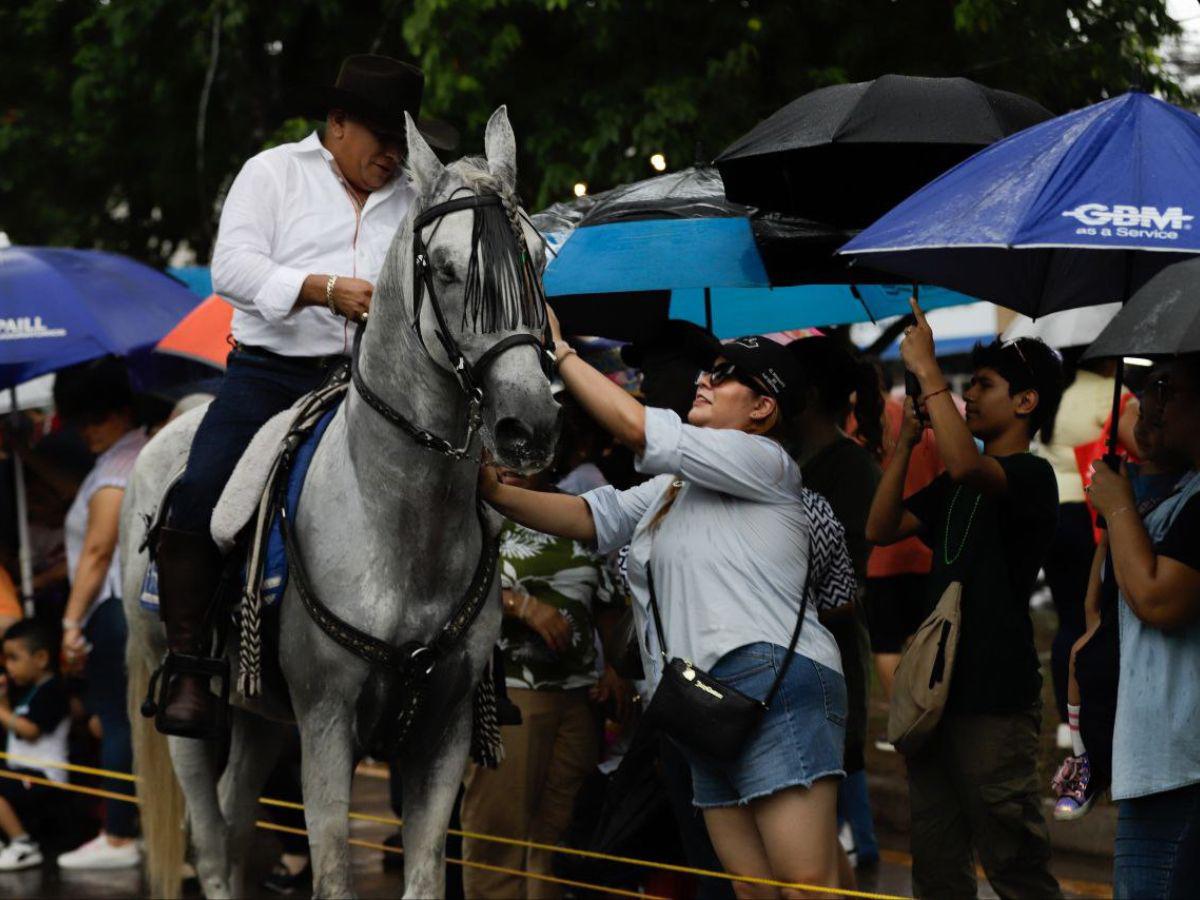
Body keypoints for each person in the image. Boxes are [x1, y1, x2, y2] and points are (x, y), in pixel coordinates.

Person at [482, 314, 857, 898]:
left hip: (769, 679)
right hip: (698, 699)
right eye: (709, 370)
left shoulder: (765, 461)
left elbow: (637, 429)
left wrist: (562, 354)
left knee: (807, 885)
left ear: (763, 410)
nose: (707, 379)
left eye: (729, 375)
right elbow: (588, 518)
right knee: (753, 888)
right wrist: (494, 491)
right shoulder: (676, 486)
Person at [154, 55, 456, 738]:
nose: (392, 155)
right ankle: (189, 665)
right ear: (338, 123)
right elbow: (230, 267)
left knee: (463, 486)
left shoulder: (414, 198)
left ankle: (471, 664)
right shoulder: (272, 173)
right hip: (273, 375)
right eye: (381, 136)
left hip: (379, 387)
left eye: (401, 141)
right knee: (201, 489)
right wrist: (321, 289)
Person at [866, 298, 1064, 899]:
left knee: (1014, 865)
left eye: (984, 385)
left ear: (1026, 403)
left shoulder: (1030, 475)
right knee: (937, 868)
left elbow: (967, 463)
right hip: (938, 703)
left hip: (994, 705)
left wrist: (929, 374)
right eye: (967, 384)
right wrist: (904, 445)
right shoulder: (956, 483)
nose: (969, 395)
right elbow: (879, 527)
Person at [460, 457, 629, 899]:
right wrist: (520, 606)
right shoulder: (469, 513)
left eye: (522, 453)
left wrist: (614, 666)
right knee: (499, 836)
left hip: (578, 697)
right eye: (495, 452)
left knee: (555, 841)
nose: (507, 463)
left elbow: (610, 603)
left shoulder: (575, 513)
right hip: (507, 694)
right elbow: (442, 585)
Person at [1085, 356, 1200, 899]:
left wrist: (1119, 508)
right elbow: (1102, 603)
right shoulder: (1176, 496)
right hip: (1156, 760)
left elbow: (1158, 598)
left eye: (1166, 388)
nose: (1149, 401)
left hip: (1181, 767)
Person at [1051, 392, 1188, 820]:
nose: (1149, 422)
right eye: (1146, 411)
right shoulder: (1125, 476)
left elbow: (1153, 594)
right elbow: (1107, 556)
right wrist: (1094, 610)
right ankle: (1085, 760)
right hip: (1116, 603)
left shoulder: (1183, 490)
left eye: (1167, 405)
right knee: (1082, 657)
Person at [787, 336, 882, 875]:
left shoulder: (848, 470)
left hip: (826, 671)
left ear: (809, 393)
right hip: (794, 671)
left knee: (812, 839)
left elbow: (847, 589)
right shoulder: (790, 461)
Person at [50, 358, 146, 870]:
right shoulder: (138, 450)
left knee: (115, 721)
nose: (86, 430)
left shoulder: (115, 470)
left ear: (120, 412)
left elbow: (96, 551)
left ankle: (118, 835)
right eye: (80, 420)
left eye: (96, 418)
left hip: (110, 609)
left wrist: (69, 624)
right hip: (135, 608)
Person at [1038, 356, 1118, 748]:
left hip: (1052, 514)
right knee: (1096, 617)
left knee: (1067, 619)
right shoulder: (1107, 392)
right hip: (1087, 515)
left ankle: (1066, 721)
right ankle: (1095, 712)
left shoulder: (1056, 393)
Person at [0, 620, 69, 871]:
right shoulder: (28, 692)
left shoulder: (52, 690)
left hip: (46, 780)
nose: (8, 667)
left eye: (13, 658)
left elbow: (30, 731)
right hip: (23, 775)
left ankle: (23, 844)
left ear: (40, 658)